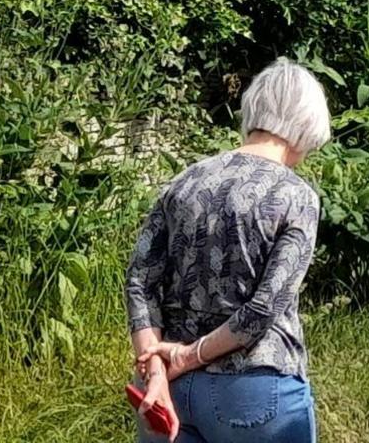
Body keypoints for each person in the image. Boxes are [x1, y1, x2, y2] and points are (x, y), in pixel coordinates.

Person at [125, 59, 332, 443]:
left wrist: (155, 366)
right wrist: (191, 355)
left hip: (167, 392)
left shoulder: (184, 180)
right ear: (306, 126)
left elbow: (140, 280)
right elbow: (263, 309)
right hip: (253, 389)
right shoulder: (296, 196)